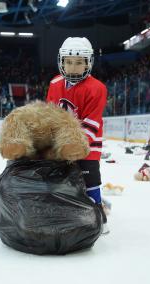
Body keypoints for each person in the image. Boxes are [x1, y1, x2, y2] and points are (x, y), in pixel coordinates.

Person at [46, 37, 109, 234]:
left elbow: (91, 125)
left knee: (89, 181)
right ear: (61, 61)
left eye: (79, 62)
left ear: (88, 63)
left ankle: (99, 214)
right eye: (69, 62)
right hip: (61, 144)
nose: (73, 67)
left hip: (88, 145)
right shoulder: (55, 83)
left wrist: (74, 147)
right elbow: (50, 116)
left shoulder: (97, 88)